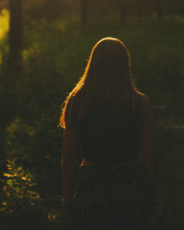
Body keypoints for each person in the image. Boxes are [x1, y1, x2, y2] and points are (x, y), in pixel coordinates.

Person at [60, 37, 156, 229]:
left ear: (93, 63)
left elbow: (69, 156)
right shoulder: (138, 103)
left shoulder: (78, 101)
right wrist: (152, 198)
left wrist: (67, 196)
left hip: (91, 185)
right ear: (124, 64)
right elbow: (150, 156)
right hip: (128, 185)